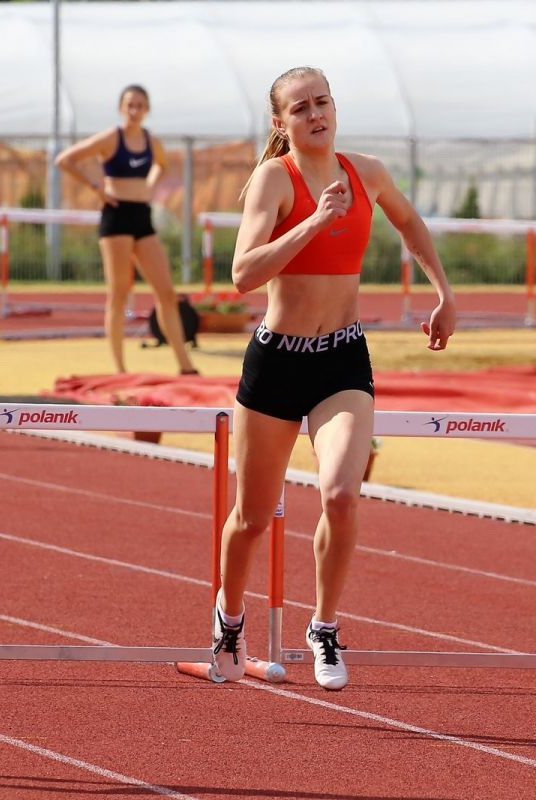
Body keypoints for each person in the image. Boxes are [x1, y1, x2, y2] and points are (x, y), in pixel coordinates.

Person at [210, 67, 455, 690]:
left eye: (323, 101)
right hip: (277, 361)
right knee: (251, 518)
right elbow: (242, 274)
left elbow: (410, 223)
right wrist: (315, 222)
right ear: (280, 122)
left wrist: (443, 292)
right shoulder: (274, 179)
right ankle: (229, 619)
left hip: (341, 359)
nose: (315, 113)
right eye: (301, 107)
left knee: (342, 496)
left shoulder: (366, 172)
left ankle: (323, 626)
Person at [56, 85, 197, 375]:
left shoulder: (151, 141)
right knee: (120, 292)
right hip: (116, 216)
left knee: (166, 292)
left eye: (140, 105)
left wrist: (150, 185)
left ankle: (185, 365)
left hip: (142, 216)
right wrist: (96, 188)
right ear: (121, 108)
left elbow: (162, 165)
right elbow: (65, 160)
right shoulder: (111, 137)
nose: (134, 110)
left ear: (147, 109)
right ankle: (120, 370)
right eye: (130, 105)